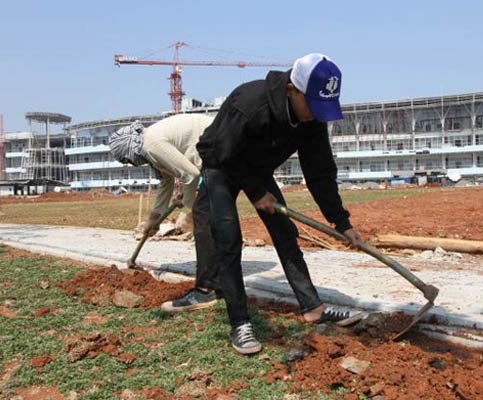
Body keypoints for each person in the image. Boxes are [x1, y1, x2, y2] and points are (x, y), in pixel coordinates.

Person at [191, 53, 364, 355]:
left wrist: (342, 222)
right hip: (220, 165)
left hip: (255, 169)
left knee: (285, 232)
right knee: (228, 239)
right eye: (312, 104)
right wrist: (257, 192)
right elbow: (221, 151)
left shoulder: (312, 118)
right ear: (291, 90)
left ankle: (313, 307)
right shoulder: (250, 104)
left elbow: (320, 172)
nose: (316, 113)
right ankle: (240, 323)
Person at [108, 113, 221, 311]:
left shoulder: (151, 145)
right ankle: (218, 276)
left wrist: (187, 207)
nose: (130, 163)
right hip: (212, 150)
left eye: (126, 159)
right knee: (209, 218)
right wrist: (153, 221)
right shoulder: (150, 147)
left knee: (203, 218)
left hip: (218, 143)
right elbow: (166, 182)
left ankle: (209, 285)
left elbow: (190, 174)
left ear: (129, 151)